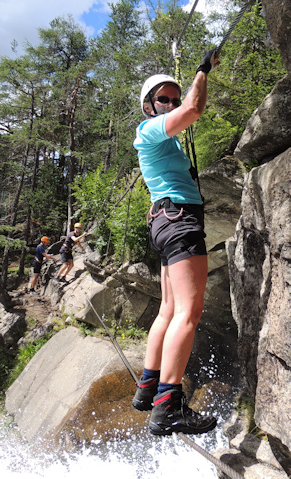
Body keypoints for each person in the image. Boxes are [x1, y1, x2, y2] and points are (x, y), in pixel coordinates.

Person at [132, 49, 220, 436]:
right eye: (162, 99)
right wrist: (203, 70)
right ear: (150, 106)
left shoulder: (161, 140)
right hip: (179, 220)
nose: (169, 103)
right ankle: (168, 406)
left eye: (172, 96)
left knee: (168, 309)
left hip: (166, 221)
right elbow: (194, 109)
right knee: (189, 312)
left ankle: (147, 389)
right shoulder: (150, 130)